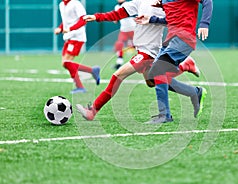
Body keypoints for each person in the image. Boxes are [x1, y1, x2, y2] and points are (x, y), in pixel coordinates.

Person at [75, 0, 204, 122]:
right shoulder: (138, 2)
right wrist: (96, 17)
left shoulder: (164, 3)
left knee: (118, 75)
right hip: (142, 49)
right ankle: (193, 87)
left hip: (149, 52)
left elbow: (173, 21)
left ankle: (93, 111)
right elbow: (118, 14)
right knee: (152, 82)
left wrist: (152, 20)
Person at [136, 0, 213, 123]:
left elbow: (207, 1)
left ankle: (164, 115)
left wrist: (204, 23)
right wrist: (151, 19)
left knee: (158, 70)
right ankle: (195, 92)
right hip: (170, 40)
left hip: (184, 39)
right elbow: (172, 19)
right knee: (152, 77)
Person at [54, 0, 100, 94]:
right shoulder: (62, 4)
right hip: (68, 37)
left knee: (67, 62)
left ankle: (80, 87)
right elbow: (66, 21)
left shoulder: (76, 3)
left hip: (77, 37)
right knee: (65, 63)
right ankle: (92, 70)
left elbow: (83, 20)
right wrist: (60, 27)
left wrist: (70, 29)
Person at [113, 0, 136, 70]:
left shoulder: (128, 5)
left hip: (133, 29)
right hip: (123, 30)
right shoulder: (116, 7)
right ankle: (119, 63)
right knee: (119, 45)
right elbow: (116, 19)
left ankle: (143, 62)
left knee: (139, 46)